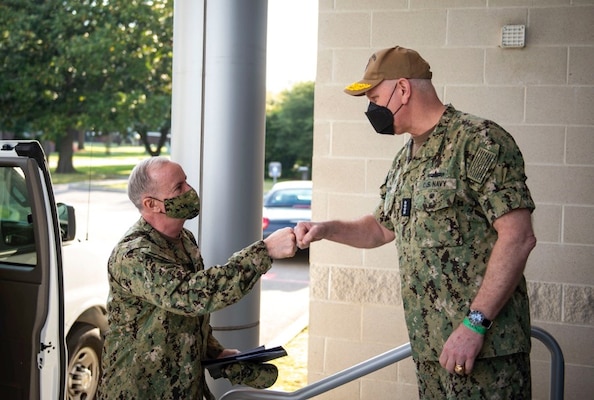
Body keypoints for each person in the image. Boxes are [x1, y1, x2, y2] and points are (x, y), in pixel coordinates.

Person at [294, 46, 537, 399]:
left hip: (485, 351)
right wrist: (326, 230)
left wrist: (474, 324)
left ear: (403, 90)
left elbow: (518, 237)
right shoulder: (406, 158)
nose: (371, 109)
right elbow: (380, 228)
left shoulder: (478, 140)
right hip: (431, 349)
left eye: (375, 97)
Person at [98, 157, 297, 400]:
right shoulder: (134, 255)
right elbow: (193, 296)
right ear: (152, 204)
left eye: (187, 182)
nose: (190, 191)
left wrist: (215, 353)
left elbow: (182, 317)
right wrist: (264, 251)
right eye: (179, 187)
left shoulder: (184, 240)